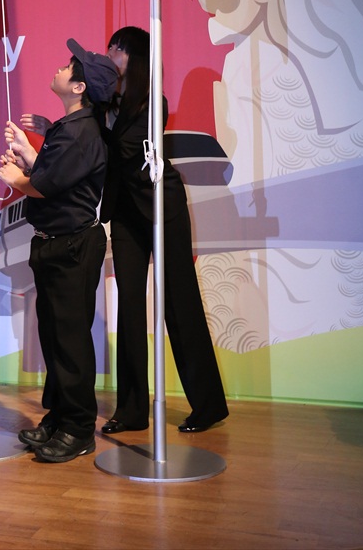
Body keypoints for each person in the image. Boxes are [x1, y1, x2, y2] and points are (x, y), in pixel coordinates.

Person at [98, 26, 228, 434]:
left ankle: (208, 405)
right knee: (131, 305)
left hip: (162, 206)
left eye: (116, 48)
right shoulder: (108, 102)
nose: (109, 52)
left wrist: (101, 116)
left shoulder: (154, 102)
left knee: (179, 302)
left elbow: (123, 150)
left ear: (134, 57)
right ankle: (132, 410)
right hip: (126, 212)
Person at [0, 39, 118, 463]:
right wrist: (31, 161)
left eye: (70, 67)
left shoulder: (81, 131)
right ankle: (61, 416)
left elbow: (45, 186)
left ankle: (79, 428)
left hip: (71, 247)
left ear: (80, 88)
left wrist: (19, 178)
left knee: (68, 342)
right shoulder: (70, 129)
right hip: (56, 245)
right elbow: (53, 179)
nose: (61, 68)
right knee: (55, 337)